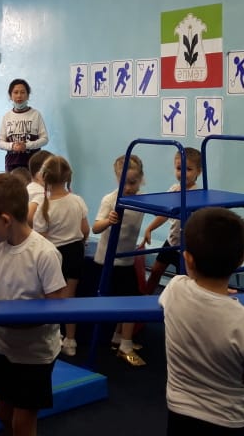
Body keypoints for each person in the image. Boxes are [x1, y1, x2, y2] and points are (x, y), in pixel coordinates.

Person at [159, 207, 244, 435]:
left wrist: (215, 294)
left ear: (188, 259)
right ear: (241, 260)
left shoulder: (174, 290)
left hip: (179, 417)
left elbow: (195, 290)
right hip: (230, 421)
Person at [0, 173, 66, 436]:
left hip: (35, 353)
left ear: (5, 220)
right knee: (4, 415)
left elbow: (57, 308)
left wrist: (15, 321)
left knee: (22, 423)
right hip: (3, 346)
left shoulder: (44, 254)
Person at [31, 155, 89, 356]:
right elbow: (85, 229)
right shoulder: (77, 200)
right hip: (75, 251)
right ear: (67, 177)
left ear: (44, 177)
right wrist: (82, 241)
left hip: (54, 253)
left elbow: (40, 238)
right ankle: (71, 340)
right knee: (69, 296)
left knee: (51, 296)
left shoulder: (44, 206)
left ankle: (54, 336)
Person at [93, 154, 147, 366]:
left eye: (133, 183)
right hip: (107, 261)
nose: (128, 188)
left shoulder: (141, 199)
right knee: (129, 302)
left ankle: (119, 338)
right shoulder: (110, 200)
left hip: (126, 259)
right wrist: (109, 220)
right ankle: (125, 345)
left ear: (141, 179)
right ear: (117, 179)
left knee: (129, 300)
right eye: (124, 182)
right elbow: (95, 227)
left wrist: (151, 229)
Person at [140, 147, 202, 293]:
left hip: (188, 247)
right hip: (172, 241)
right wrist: (150, 228)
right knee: (155, 271)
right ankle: (145, 297)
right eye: (179, 168)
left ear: (198, 172)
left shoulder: (198, 194)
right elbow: (165, 215)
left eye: (188, 169)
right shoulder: (174, 189)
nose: (182, 173)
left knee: (184, 281)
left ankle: (183, 302)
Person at [0, 79, 48, 172]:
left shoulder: (35, 114)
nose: (19, 95)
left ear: (28, 95)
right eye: (15, 92)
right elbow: (0, 143)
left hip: (33, 164)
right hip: (12, 164)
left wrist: (27, 145)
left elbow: (44, 139)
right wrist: (12, 146)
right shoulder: (6, 117)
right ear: (10, 96)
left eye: (22, 92)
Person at [25, 149, 54, 224]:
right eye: (53, 171)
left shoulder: (29, 188)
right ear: (39, 175)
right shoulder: (42, 195)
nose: (56, 176)